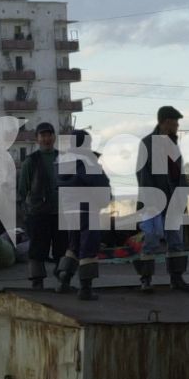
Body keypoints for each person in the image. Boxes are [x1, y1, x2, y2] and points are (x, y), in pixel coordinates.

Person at [134, 104, 189, 292]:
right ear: (164, 123)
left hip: (173, 201)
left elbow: (179, 174)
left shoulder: (173, 144)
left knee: (176, 241)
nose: (176, 127)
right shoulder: (147, 143)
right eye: (174, 123)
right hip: (153, 202)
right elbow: (143, 174)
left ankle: (176, 278)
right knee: (150, 240)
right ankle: (146, 280)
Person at [56, 128, 111, 299]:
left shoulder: (61, 161)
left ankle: (64, 280)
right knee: (89, 246)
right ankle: (85, 289)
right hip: (87, 208)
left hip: (68, 209)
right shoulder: (86, 160)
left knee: (74, 244)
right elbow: (98, 183)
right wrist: (105, 199)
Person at [17, 121, 61, 290]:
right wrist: (27, 213)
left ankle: (63, 280)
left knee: (62, 248)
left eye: (49, 134)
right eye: (43, 135)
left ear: (54, 137)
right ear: (37, 139)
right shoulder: (31, 161)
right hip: (38, 213)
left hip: (60, 212)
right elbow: (22, 189)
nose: (46, 138)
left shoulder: (63, 158)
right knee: (37, 248)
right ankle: (37, 282)